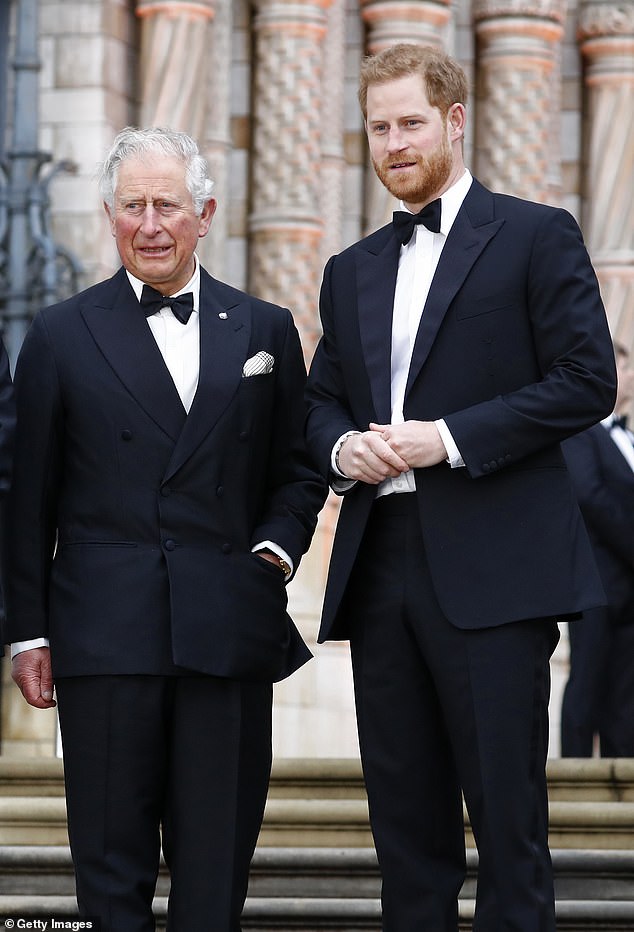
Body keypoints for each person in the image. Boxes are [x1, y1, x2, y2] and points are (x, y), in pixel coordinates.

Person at [304, 43, 616, 931]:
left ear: (454, 121)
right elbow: (320, 400)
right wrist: (339, 451)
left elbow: (587, 379)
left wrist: (445, 439)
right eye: (378, 127)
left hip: (494, 571)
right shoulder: (350, 268)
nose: (394, 142)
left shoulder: (534, 232)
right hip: (379, 572)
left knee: (509, 832)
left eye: (409, 122)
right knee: (406, 839)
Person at [4, 126, 325, 931]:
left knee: (215, 874)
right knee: (110, 878)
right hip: (105, 637)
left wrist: (275, 551)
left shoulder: (264, 329)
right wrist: (27, 633)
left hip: (227, 624)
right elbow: (25, 497)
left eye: (168, 206)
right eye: (133, 206)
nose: (151, 224)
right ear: (110, 215)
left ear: (205, 213)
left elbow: (298, 465)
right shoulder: (58, 335)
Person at [561, 341, 634, 757]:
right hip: (595, 583)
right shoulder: (579, 433)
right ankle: (573, 776)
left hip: (628, 587)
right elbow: (591, 497)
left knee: (624, 690)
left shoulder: (627, 439)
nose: (629, 376)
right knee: (587, 680)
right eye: (621, 368)